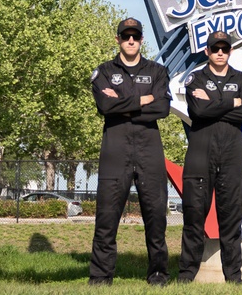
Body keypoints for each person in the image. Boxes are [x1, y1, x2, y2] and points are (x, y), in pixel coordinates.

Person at [89, 17, 172, 286]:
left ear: (141, 40)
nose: (131, 40)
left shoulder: (157, 71)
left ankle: (158, 275)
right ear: (118, 39)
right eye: (126, 36)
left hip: (149, 152)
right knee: (106, 219)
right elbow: (105, 106)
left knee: (156, 218)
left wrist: (122, 103)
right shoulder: (103, 71)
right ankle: (100, 278)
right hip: (116, 152)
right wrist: (142, 100)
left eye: (135, 36)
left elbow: (162, 108)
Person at [178, 31, 242, 284]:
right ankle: (186, 275)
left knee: (232, 218)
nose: (220, 53)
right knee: (194, 217)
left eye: (224, 48)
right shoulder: (196, 78)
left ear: (230, 51)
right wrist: (232, 102)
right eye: (215, 49)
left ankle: (233, 277)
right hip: (201, 155)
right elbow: (198, 111)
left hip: (232, 156)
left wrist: (213, 101)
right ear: (207, 51)